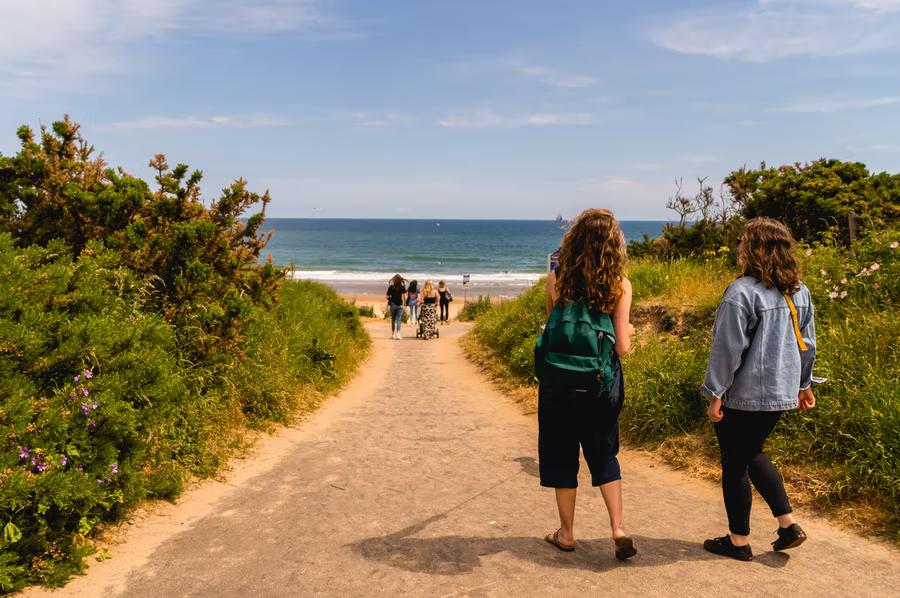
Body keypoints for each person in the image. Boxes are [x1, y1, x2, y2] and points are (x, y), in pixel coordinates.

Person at [701, 217, 816, 562]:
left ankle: (738, 541)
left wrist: (715, 393)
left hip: (745, 394)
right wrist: (803, 384)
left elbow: (727, 349)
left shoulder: (741, 292)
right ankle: (788, 525)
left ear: (750, 249)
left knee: (735, 462)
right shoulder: (799, 291)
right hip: (781, 391)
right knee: (750, 453)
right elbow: (806, 343)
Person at [538, 208, 637, 560]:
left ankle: (566, 533)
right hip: (600, 385)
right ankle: (617, 528)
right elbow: (622, 347)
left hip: (558, 383)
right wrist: (627, 335)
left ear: (575, 238)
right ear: (613, 243)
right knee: (604, 454)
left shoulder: (557, 277)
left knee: (561, 456)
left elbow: (553, 328)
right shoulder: (619, 283)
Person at [386, 274, 407, 340]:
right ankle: (398, 334)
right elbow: (405, 296)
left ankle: (392, 334)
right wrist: (405, 303)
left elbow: (387, 296)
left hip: (393, 304)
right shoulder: (402, 287)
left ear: (394, 280)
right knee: (398, 320)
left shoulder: (391, 287)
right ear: (401, 280)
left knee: (393, 319)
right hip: (400, 305)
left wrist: (390, 298)